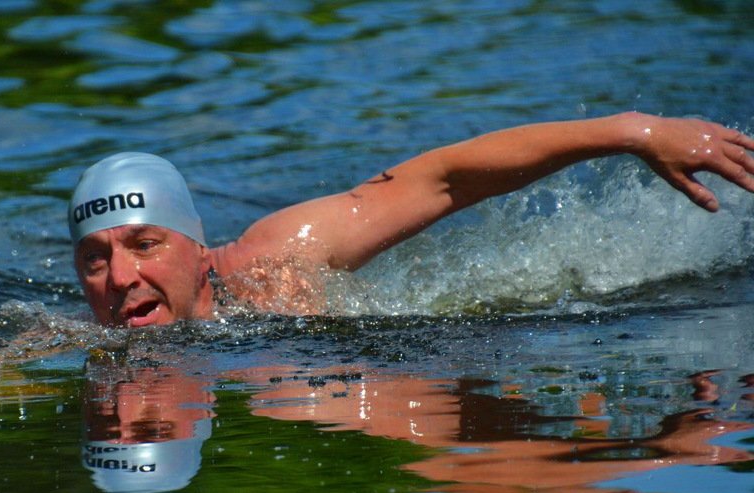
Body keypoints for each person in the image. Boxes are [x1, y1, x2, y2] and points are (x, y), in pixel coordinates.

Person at [68, 112, 754, 327]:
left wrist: (635, 132)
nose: (121, 277)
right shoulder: (74, 344)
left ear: (195, 246)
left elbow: (446, 179)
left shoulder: (279, 263)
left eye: (145, 244)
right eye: (95, 259)